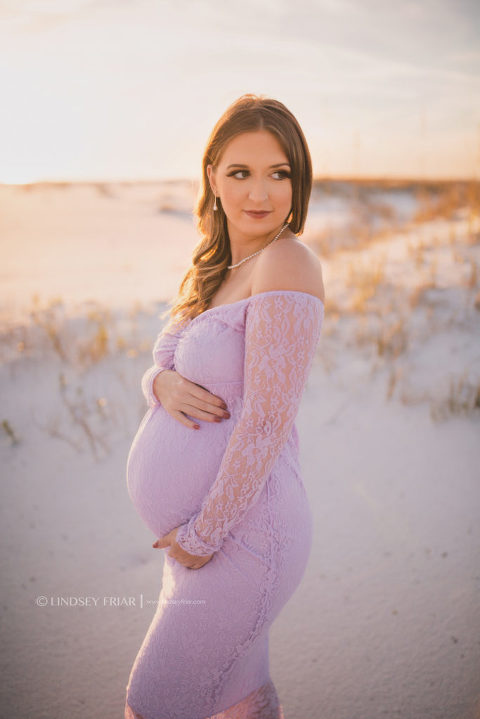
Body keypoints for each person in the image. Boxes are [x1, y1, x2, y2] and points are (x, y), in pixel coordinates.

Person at [124, 93, 325, 719]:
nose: (259, 193)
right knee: (233, 699)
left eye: (279, 172)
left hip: (244, 536)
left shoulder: (288, 261)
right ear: (212, 175)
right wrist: (155, 384)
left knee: (152, 703)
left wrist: (204, 535)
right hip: (203, 536)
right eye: (240, 172)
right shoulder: (221, 266)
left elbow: (266, 420)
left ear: (299, 179)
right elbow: (171, 362)